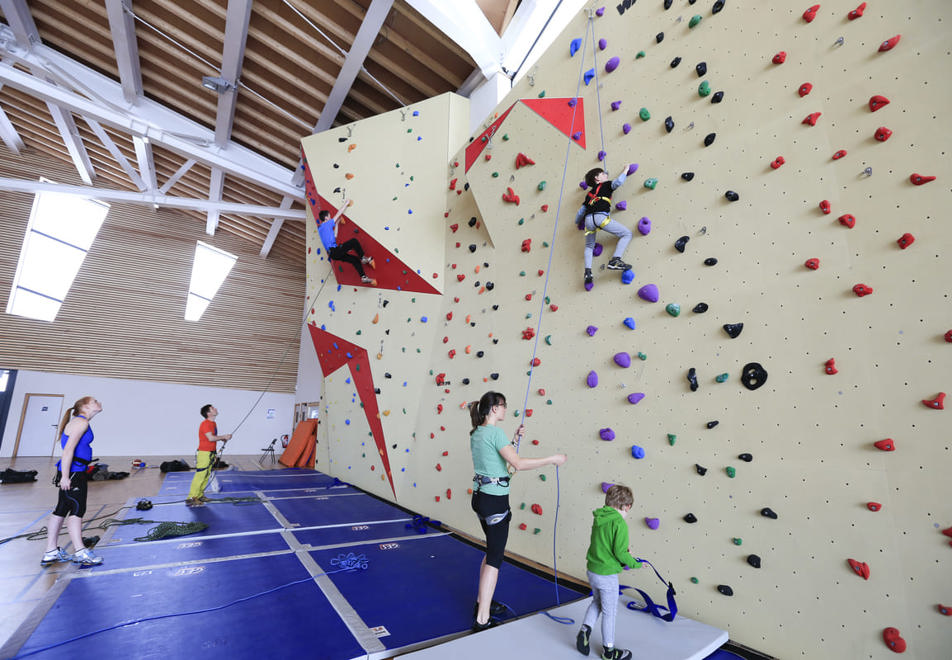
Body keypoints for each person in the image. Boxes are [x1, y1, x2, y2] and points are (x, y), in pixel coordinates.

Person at [469, 391, 567, 632]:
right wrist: (552, 459)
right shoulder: (494, 433)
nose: (504, 410)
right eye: (502, 406)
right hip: (495, 502)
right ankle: (482, 618)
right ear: (494, 409)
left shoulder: (477, 433)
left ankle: (483, 603)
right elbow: (518, 464)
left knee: (491, 551)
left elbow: (497, 461)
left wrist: (513, 440)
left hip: (480, 499)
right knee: (495, 558)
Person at [576, 484, 642, 660]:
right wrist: (635, 563)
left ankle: (585, 630)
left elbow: (605, 545)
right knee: (610, 612)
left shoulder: (599, 518)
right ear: (626, 506)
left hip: (593, 570)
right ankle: (609, 652)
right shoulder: (619, 523)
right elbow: (620, 553)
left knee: (597, 601)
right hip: (606, 575)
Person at [41, 396, 104, 567]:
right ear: (85, 406)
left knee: (61, 509)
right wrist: (66, 477)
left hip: (75, 470)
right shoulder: (80, 423)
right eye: (95, 401)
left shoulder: (79, 421)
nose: (99, 403)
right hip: (74, 472)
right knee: (77, 509)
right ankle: (80, 551)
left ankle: (51, 551)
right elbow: (68, 451)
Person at [575, 166, 633, 287]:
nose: (606, 175)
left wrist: (577, 222)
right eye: (603, 173)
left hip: (588, 220)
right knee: (627, 234)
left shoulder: (589, 194)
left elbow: (581, 212)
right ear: (597, 178)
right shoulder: (607, 184)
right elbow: (618, 182)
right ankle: (615, 260)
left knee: (589, 246)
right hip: (601, 218)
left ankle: (588, 272)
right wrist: (625, 170)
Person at [316, 199, 375, 284]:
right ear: (326, 218)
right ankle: (363, 257)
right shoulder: (327, 224)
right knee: (354, 241)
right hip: (335, 251)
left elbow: (335, 236)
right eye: (329, 216)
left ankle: (363, 277)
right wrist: (346, 203)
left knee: (354, 260)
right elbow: (338, 213)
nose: (330, 218)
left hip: (333, 254)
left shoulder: (321, 229)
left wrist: (337, 224)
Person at [186, 404, 232, 507]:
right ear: (208, 413)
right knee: (200, 475)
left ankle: (200, 495)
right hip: (204, 453)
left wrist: (221, 438)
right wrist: (223, 436)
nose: (216, 408)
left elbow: (212, 437)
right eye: (213, 408)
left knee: (206, 475)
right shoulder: (206, 423)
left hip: (210, 453)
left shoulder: (213, 423)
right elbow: (210, 438)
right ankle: (191, 498)